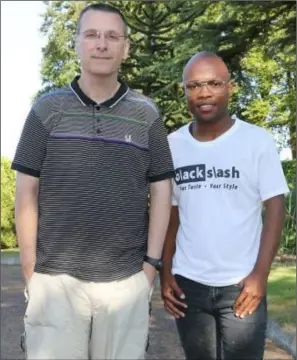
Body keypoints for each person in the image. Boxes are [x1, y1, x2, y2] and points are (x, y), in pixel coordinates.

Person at [12, 3, 174, 359]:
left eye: (112, 36)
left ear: (125, 47)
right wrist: (30, 270)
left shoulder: (147, 115)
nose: (102, 44)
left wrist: (150, 267)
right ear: (77, 43)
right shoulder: (45, 111)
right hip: (55, 281)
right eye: (92, 35)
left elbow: (162, 191)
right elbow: (26, 191)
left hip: (125, 282)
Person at [161, 51, 289, 360]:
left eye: (213, 83)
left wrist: (260, 275)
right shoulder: (172, 145)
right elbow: (171, 214)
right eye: (194, 86)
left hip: (241, 285)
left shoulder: (255, 141)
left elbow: (275, 206)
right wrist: (165, 274)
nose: (203, 93)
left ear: (229, 87)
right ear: (184, 92)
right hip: (188, 284)